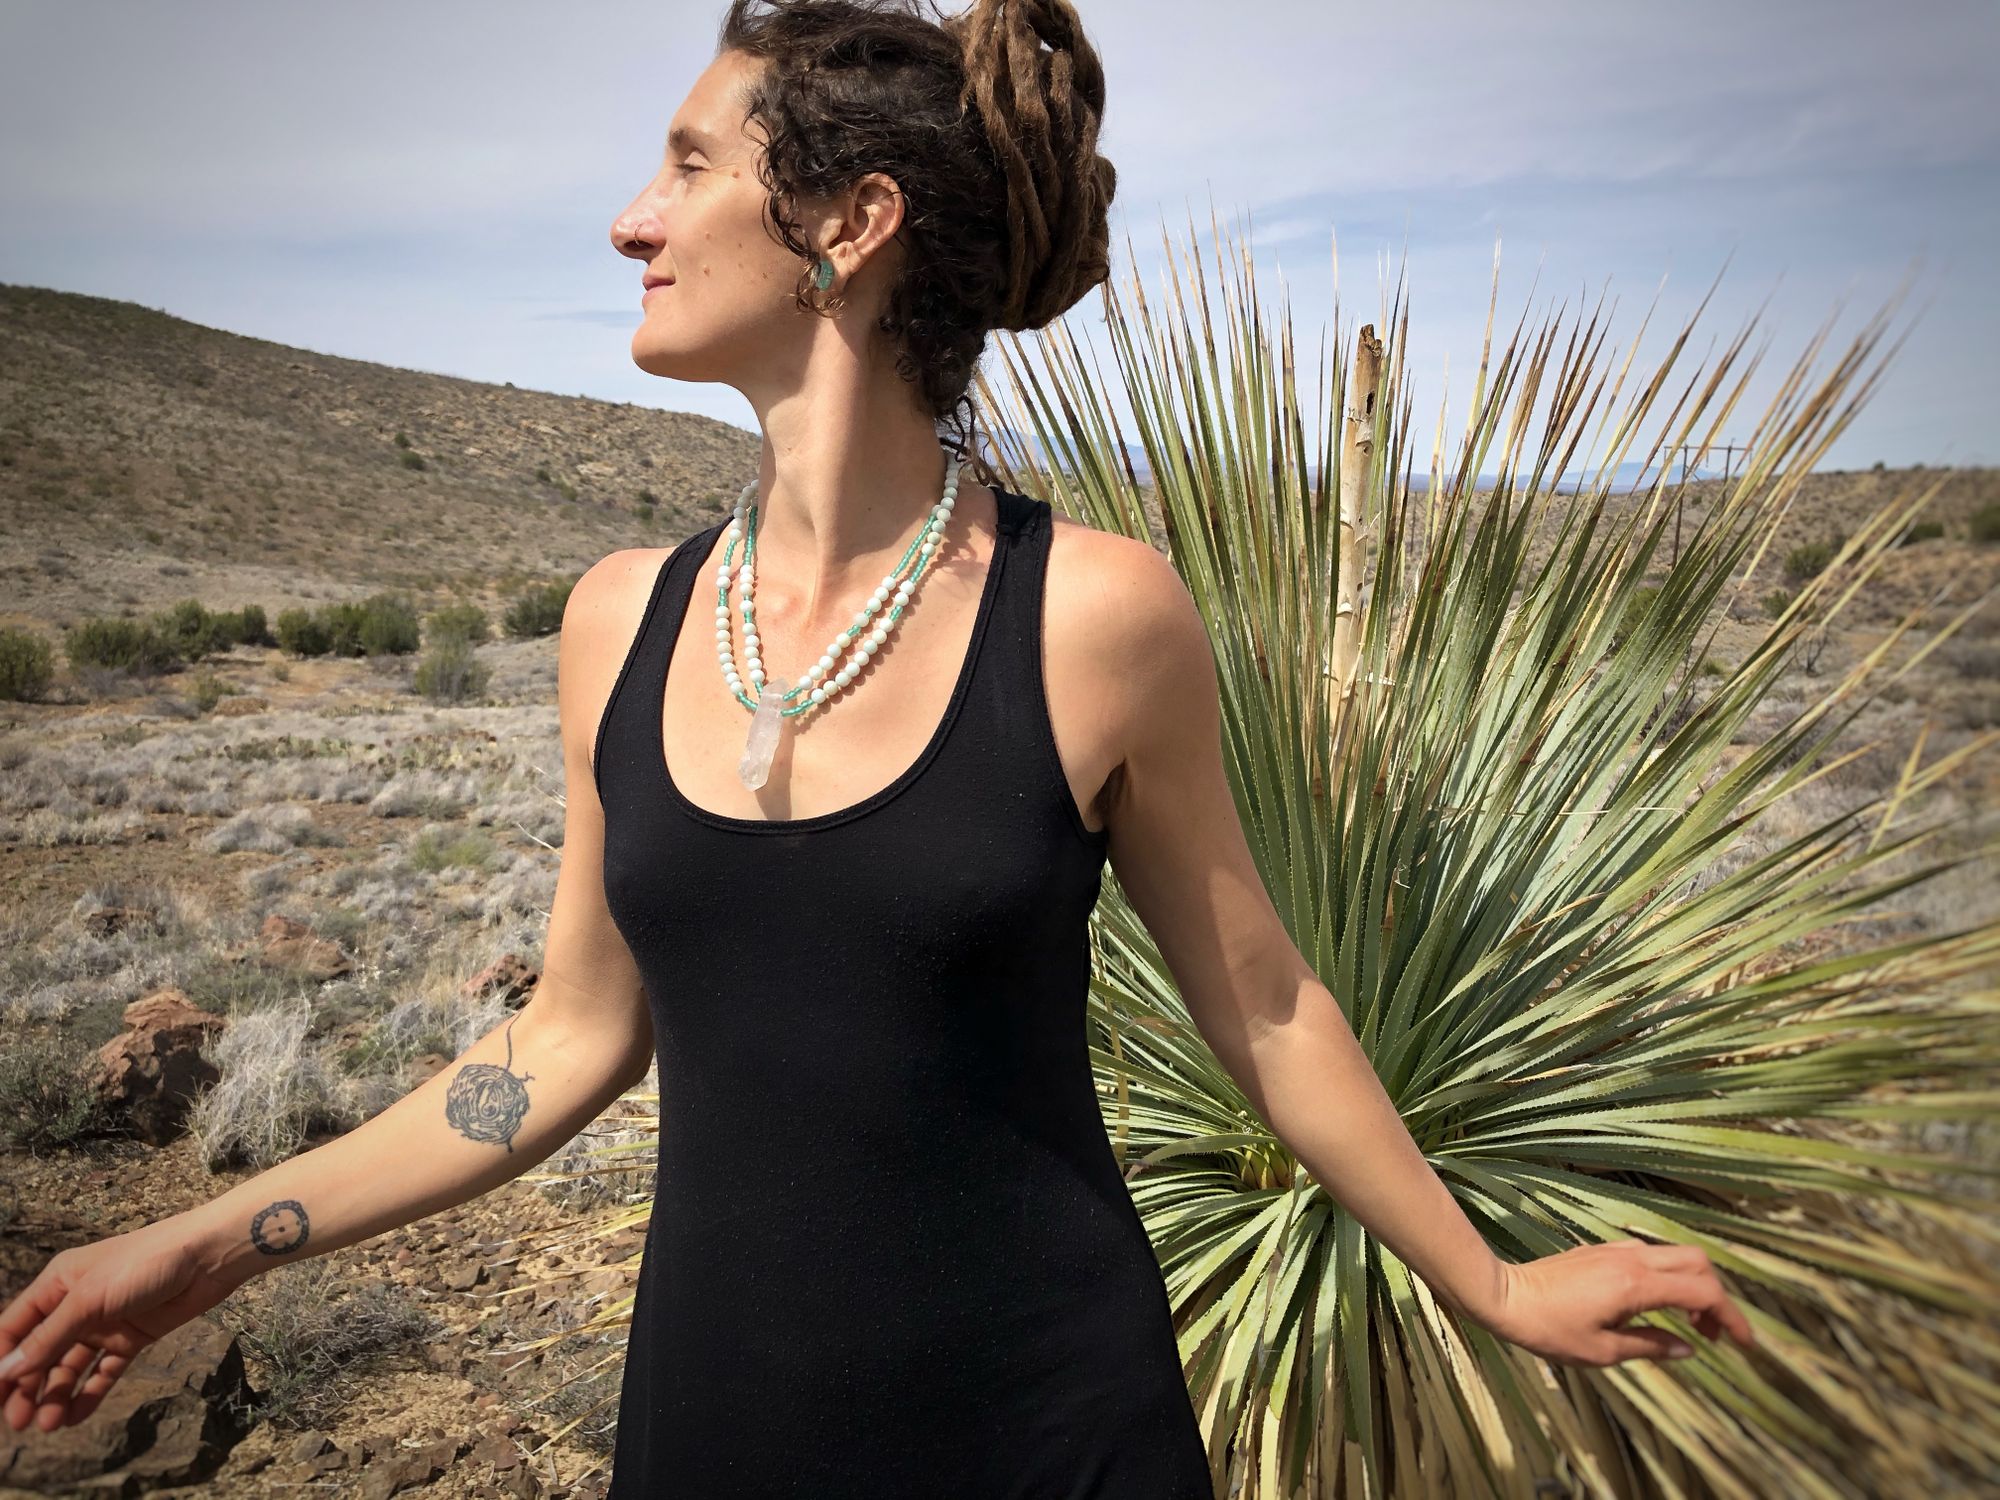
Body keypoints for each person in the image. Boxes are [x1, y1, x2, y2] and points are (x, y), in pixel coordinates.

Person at [0, 0, 1756, 1493]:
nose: (631, 219)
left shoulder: (1094, 618)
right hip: (713, 1432)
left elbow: (1270, 1005)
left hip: (1052, 1431)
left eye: (687, 164)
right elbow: (564, 1039)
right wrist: (205, 1245)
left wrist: (1495, 1285)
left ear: (853, 223)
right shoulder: (622, 618)